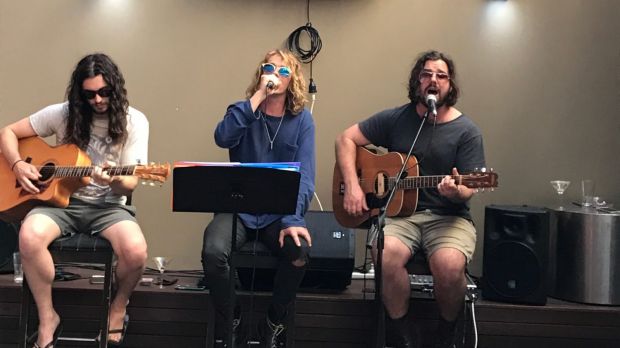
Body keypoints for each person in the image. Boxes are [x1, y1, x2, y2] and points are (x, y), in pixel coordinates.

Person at [335, 50, 485, 348]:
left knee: (449, 265)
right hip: (400, 216)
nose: (433, 81)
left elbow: (471, 185)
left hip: (449, 217)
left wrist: (458, 189)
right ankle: (402, 334)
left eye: (441, 76)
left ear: (450, 85)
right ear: (417, 81)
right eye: (427, 74)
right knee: (384, 255)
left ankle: (447, 333)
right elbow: (345, 139)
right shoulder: (396, 118)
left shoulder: (466, 131)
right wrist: (352, 185)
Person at [0, 53, 149, 348]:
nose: (98, 100)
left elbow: (131, 181)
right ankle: (47, 318)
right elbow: (7, 133)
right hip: (59, 204)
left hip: (108, 207)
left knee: (136, 251)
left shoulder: (134, 121)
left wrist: (114, 180)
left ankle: (117, 307)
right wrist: (18, 164)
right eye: (89, 94)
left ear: (115, 89)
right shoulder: (64, 114)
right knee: (29, 237)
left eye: (104, 92)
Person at [201, 49, 315, 348]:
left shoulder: (302, 121)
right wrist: (257, 99)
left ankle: (273, 322)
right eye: (269, 68)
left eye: (283, 72)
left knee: (299, 252)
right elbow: (222, 138)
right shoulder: (241, 111)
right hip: (237, 208)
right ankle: (232, 317)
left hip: (277, 214)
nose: (275, 75)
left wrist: (293, 219)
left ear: (293, 81)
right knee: (213, 252)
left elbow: (305, 174)